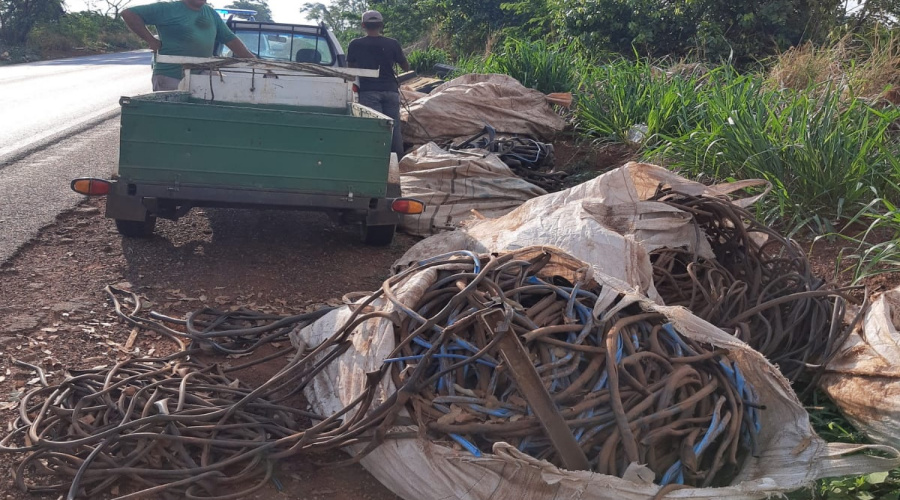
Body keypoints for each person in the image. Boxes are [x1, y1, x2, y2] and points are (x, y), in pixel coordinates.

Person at [121, 0, 255, 91]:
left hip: (202, 75)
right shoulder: (168, 8)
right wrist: (151, 40)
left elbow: (230, 39)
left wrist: (255, 62)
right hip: (171, 77)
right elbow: (129, 14)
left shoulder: (210, 13)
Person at [346, 10, 410, 158]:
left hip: (369, 92)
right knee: (393, 127)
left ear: (363, 25)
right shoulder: (393, 43)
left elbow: (351, 70)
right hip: (391, 91)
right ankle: (398, 162)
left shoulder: (355, 44)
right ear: (381, 25)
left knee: (374, 127)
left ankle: (376, 161)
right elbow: (406, 67)